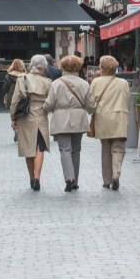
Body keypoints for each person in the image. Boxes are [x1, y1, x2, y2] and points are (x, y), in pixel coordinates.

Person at [43, 55, 96, 192]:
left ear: (63, 67)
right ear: (78, 67)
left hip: (61, 119)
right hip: (78, 119)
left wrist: (44, 109)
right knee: (76, 151)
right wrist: (92, 111)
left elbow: (49, 103)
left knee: (65, 149)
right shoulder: (84, 84)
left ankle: (69, 177)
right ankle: (75, 181)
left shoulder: (56, 83)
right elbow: (90, 105)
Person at [8, 55, 53, 191]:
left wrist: (13, 118)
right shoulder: (48, 82)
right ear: (43, 67)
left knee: (28, 149)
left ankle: (31, 178)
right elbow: (51, 101)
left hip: (25, 118)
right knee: (40, 147)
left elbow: (15, 101)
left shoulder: (22, 80)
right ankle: (37, 177)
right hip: (41, 117)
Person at [90, 55, 131, 190]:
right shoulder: (123, 83)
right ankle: (116, 174)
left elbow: (91, 102)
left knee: (106, 149)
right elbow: (127, 99)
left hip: (103, 118)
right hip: (119, 117)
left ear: (102, 68)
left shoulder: (96, 82)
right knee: (118, 148)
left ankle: (106, 180)